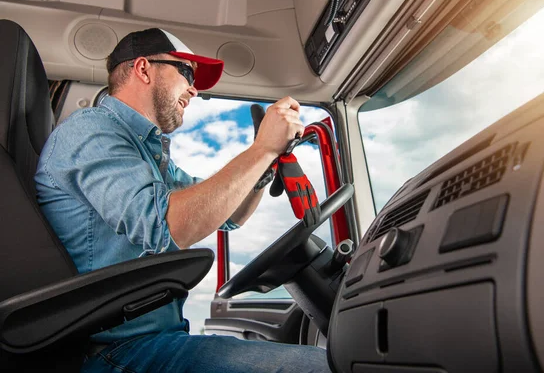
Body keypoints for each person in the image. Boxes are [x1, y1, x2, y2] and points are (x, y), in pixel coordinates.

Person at [35, 28, 330, 372]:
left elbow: (230, 215)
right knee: (325, 367)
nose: (194, 88)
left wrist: (262, 167)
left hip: (151, 342)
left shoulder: (145, 153)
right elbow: (164, 225)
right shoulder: (92, 130)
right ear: (143, 69)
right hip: (115, 352)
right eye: (186, 72)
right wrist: (262, 148)